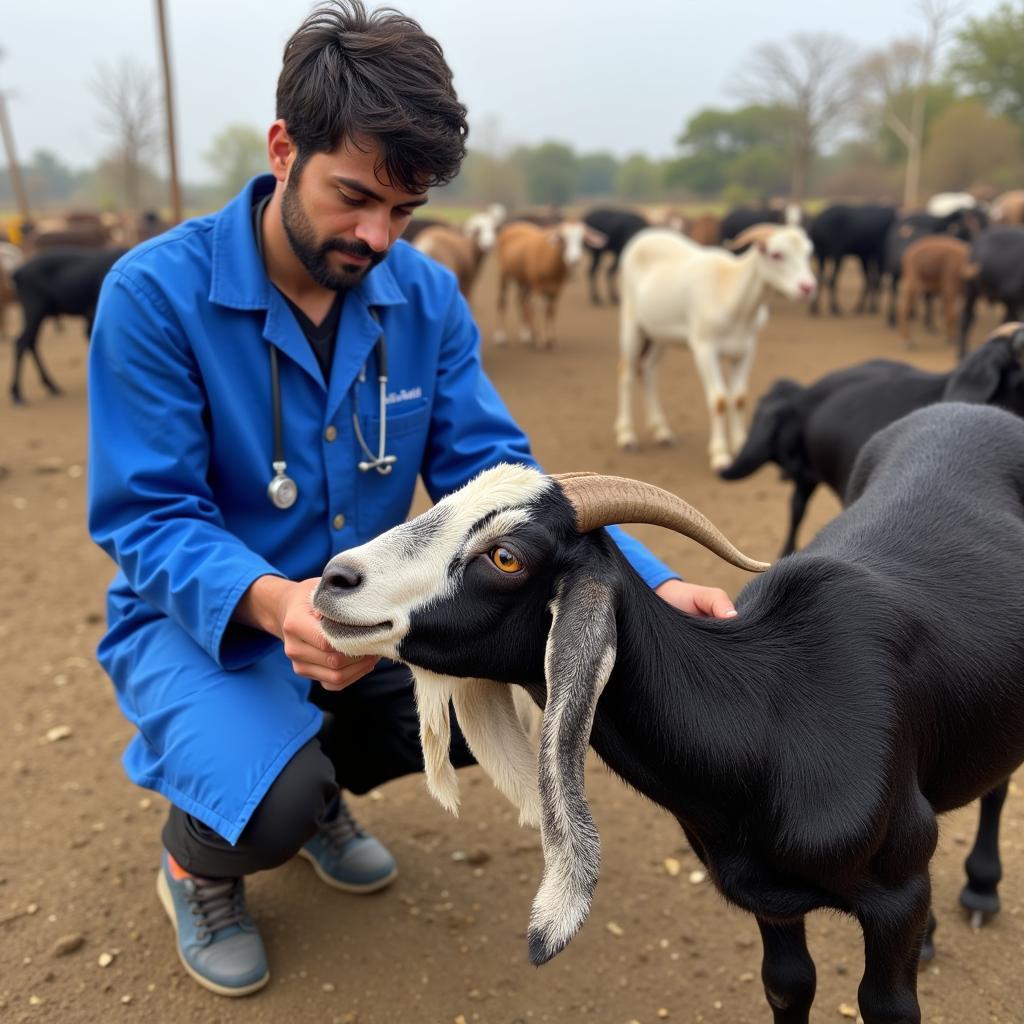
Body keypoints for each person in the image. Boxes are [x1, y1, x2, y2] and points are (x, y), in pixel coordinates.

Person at [86, 0, 736, 999]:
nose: (377, 236)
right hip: (208, 619)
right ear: (282, 147)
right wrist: (281, 605)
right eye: (354, 197)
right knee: (271, 799)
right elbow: (149, 517)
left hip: (370, 608)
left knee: (513, 694)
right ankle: (204, 857)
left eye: (403, 210)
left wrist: (654, 582)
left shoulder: (423, 298)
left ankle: (312, 794)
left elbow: (496, 470)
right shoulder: (152, 294)